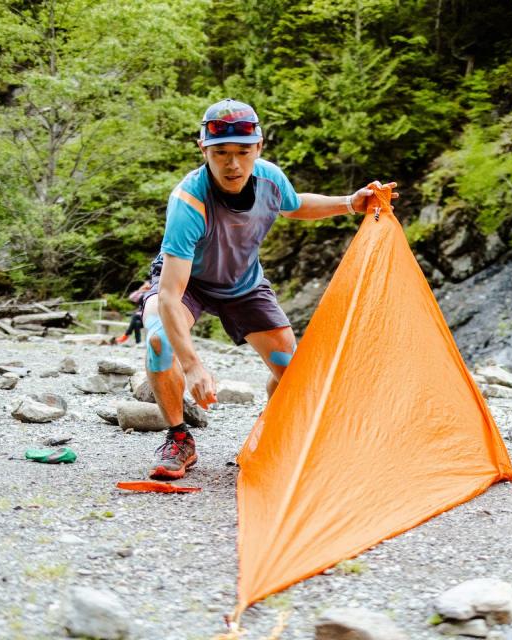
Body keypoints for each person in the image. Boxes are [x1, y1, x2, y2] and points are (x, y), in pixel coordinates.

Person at [139, 98, 398, 480]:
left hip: (243, 284)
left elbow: (294, 206)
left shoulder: (270, 180)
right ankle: (179, 438)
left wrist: (348, 203)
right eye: (221, 153)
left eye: (243, 152)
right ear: (203, 150)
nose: (233, 163)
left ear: (258, 148)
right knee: (160, 341)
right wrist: (193, 365)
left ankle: (268, 437)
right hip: (188, 283)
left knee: (291, 370)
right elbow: (169, 295)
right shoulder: (188, 202)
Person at [115, 281, 152, 345]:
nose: (146, 287)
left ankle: (126, 335)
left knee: (135, 316)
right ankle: (138, 342)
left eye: (148, 285)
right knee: (136, 323)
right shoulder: (141, 294)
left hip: (150, 317)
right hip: (141, 318)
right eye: (145, 285)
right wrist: (140, 290)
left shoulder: (153, 294)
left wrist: (150, 289)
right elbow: (131, 298)